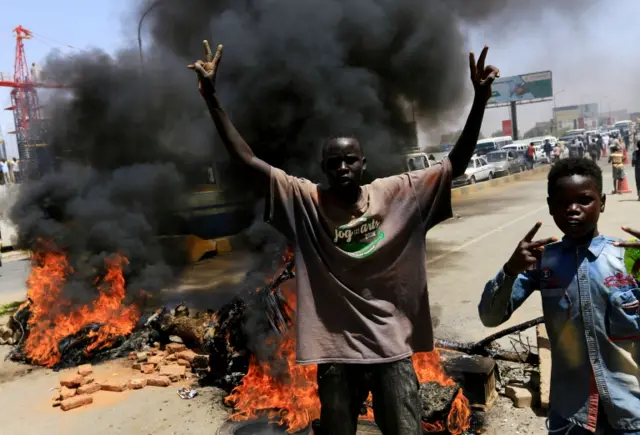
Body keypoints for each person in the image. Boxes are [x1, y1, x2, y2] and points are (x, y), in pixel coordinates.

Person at [188, 41, 499, 434]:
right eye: (333, 162)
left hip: (391, 350)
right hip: (336, 354)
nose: (342, 167)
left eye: (350, 159)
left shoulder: (397, 194)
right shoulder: (306, 200)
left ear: (364, 163)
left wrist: (481, 101)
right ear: (323, 168)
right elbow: (248, 162)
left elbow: (455, 163)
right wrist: (212, 98)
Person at [478, 158, 640, 435]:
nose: (573, 210)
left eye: (584, 200)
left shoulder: (628, 256)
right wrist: (510, 270)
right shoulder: (543, 262)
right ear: (551, 206)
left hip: (630, 410)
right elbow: (490, 317)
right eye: (563, 202)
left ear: (602, 203)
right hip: (571, 415)